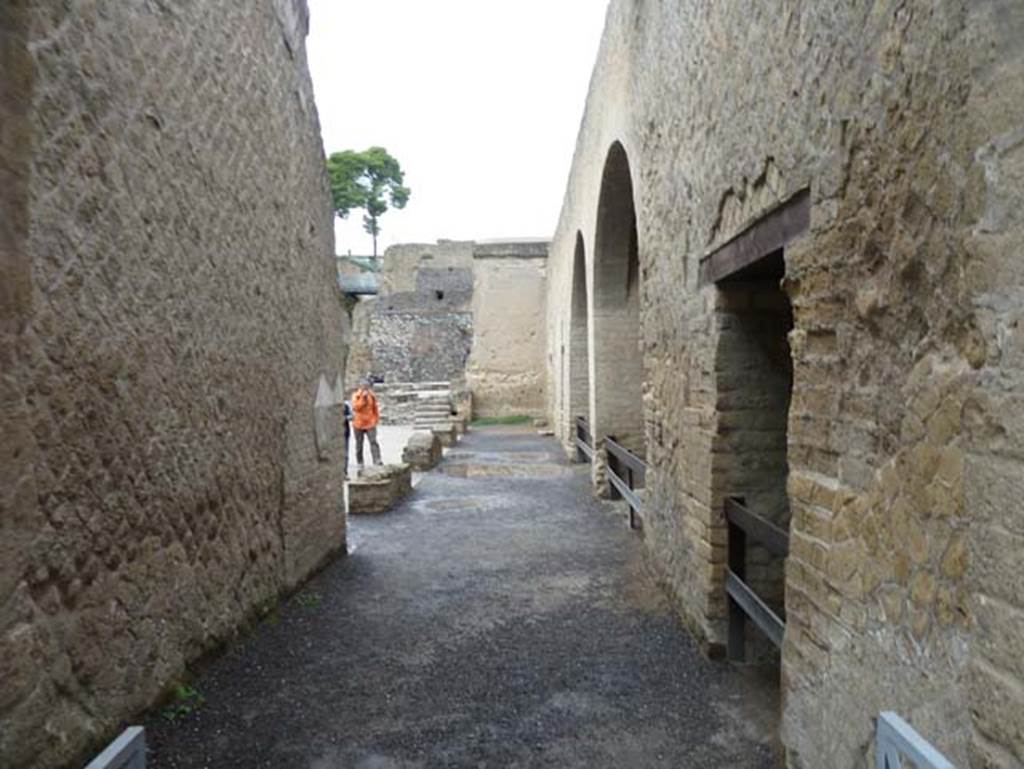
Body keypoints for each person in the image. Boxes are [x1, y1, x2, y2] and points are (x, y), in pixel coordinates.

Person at [351, 378, 382, 468]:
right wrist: (363, 399)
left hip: (370, 422)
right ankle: (360, 461)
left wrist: (376, 419)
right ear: (360, 387)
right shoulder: (356, 395)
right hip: (358, 423)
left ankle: (377, 459)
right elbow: (356, 407)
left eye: (367, 386)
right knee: (359, 444)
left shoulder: (371, 395)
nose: (365, 388)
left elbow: (375, 408)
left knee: (373, 442)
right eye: (363, 386)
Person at [342, 399, 353, 478]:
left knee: (345, 454)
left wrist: (345, 418)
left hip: (345, 433)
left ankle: (344, 472)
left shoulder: (345, 406)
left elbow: (352, 416)